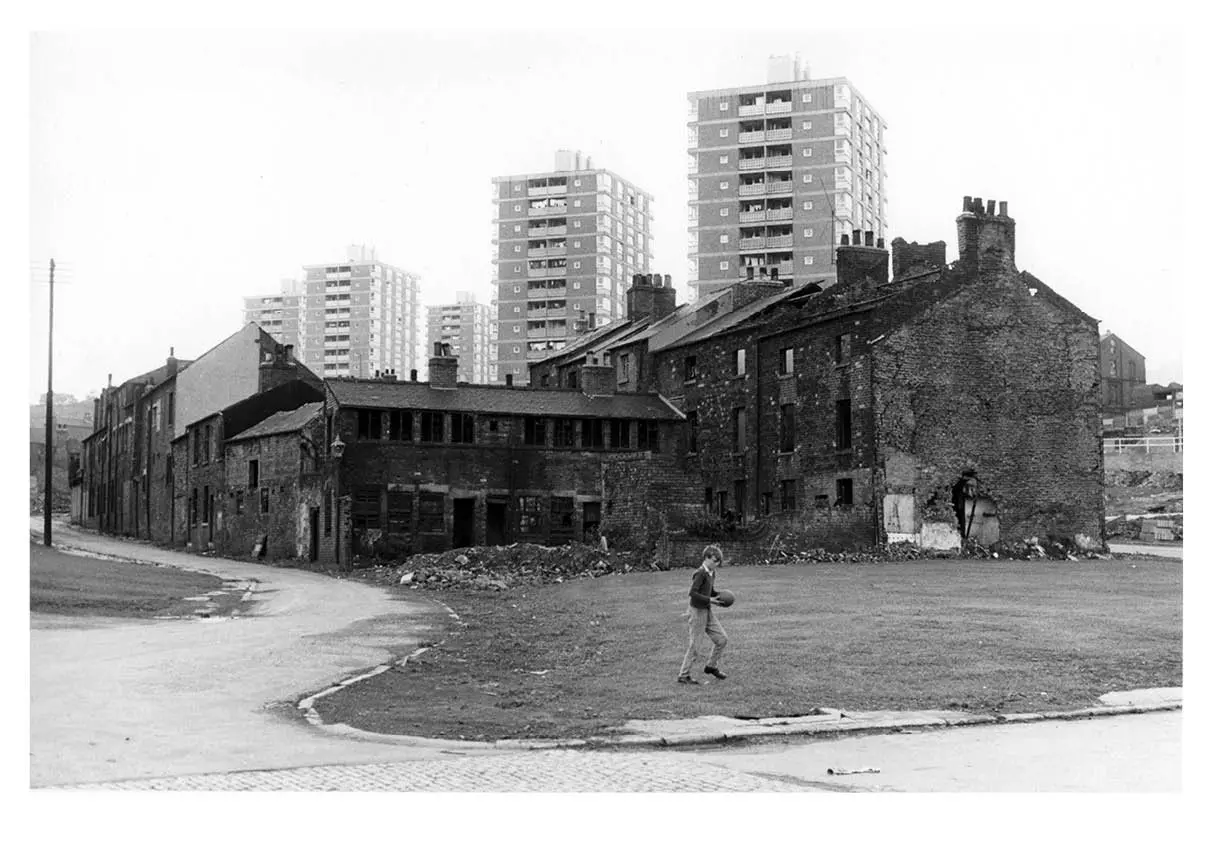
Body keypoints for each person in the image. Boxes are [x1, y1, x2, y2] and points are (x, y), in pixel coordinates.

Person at [677, 544, 728, 685]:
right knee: (695, 646)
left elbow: (710, 592)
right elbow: (693, 593)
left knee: (722, 639)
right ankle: (683, 675)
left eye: (718, 561)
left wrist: (719, 596)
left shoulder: (712, 573)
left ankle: (711, 666)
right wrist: (709, 599)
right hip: (697, 612)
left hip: (707, 610)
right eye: (714, 560)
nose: (716, 563)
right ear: (706, 558)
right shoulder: (700, 573)